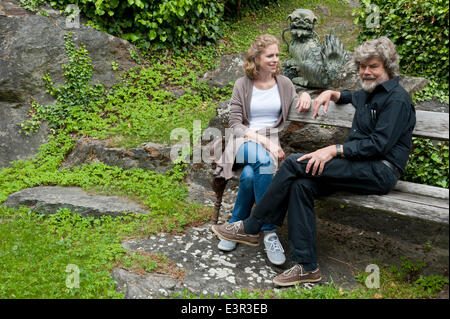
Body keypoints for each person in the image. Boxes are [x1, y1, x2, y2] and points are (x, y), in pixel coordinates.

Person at [211, 36, 416, 286]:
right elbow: (350, 96)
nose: (366, 71)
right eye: (362, 66)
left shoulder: (397, 99)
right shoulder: (369, 93)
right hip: (358, 166)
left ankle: (253, 224)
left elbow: (379, 145)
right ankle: (307, 266)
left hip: (379, 170)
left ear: (388, 66)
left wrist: (334, 149)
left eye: (373, 66)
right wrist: (331, 93)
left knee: (294, 163)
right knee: (301, 186)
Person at [211, 34, 311, 265]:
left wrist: (305, 94)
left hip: (269, 143)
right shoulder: (242, 84)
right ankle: (268, 231)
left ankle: (237, 224)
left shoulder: (284, 83)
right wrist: (265, 143)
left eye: (277, 55)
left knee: (249, 176)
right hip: (243, 142)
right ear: (256, 58)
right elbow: (235, 125)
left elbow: (297, 101)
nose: (276, 59)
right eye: (270, 56)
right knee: (264, 163)